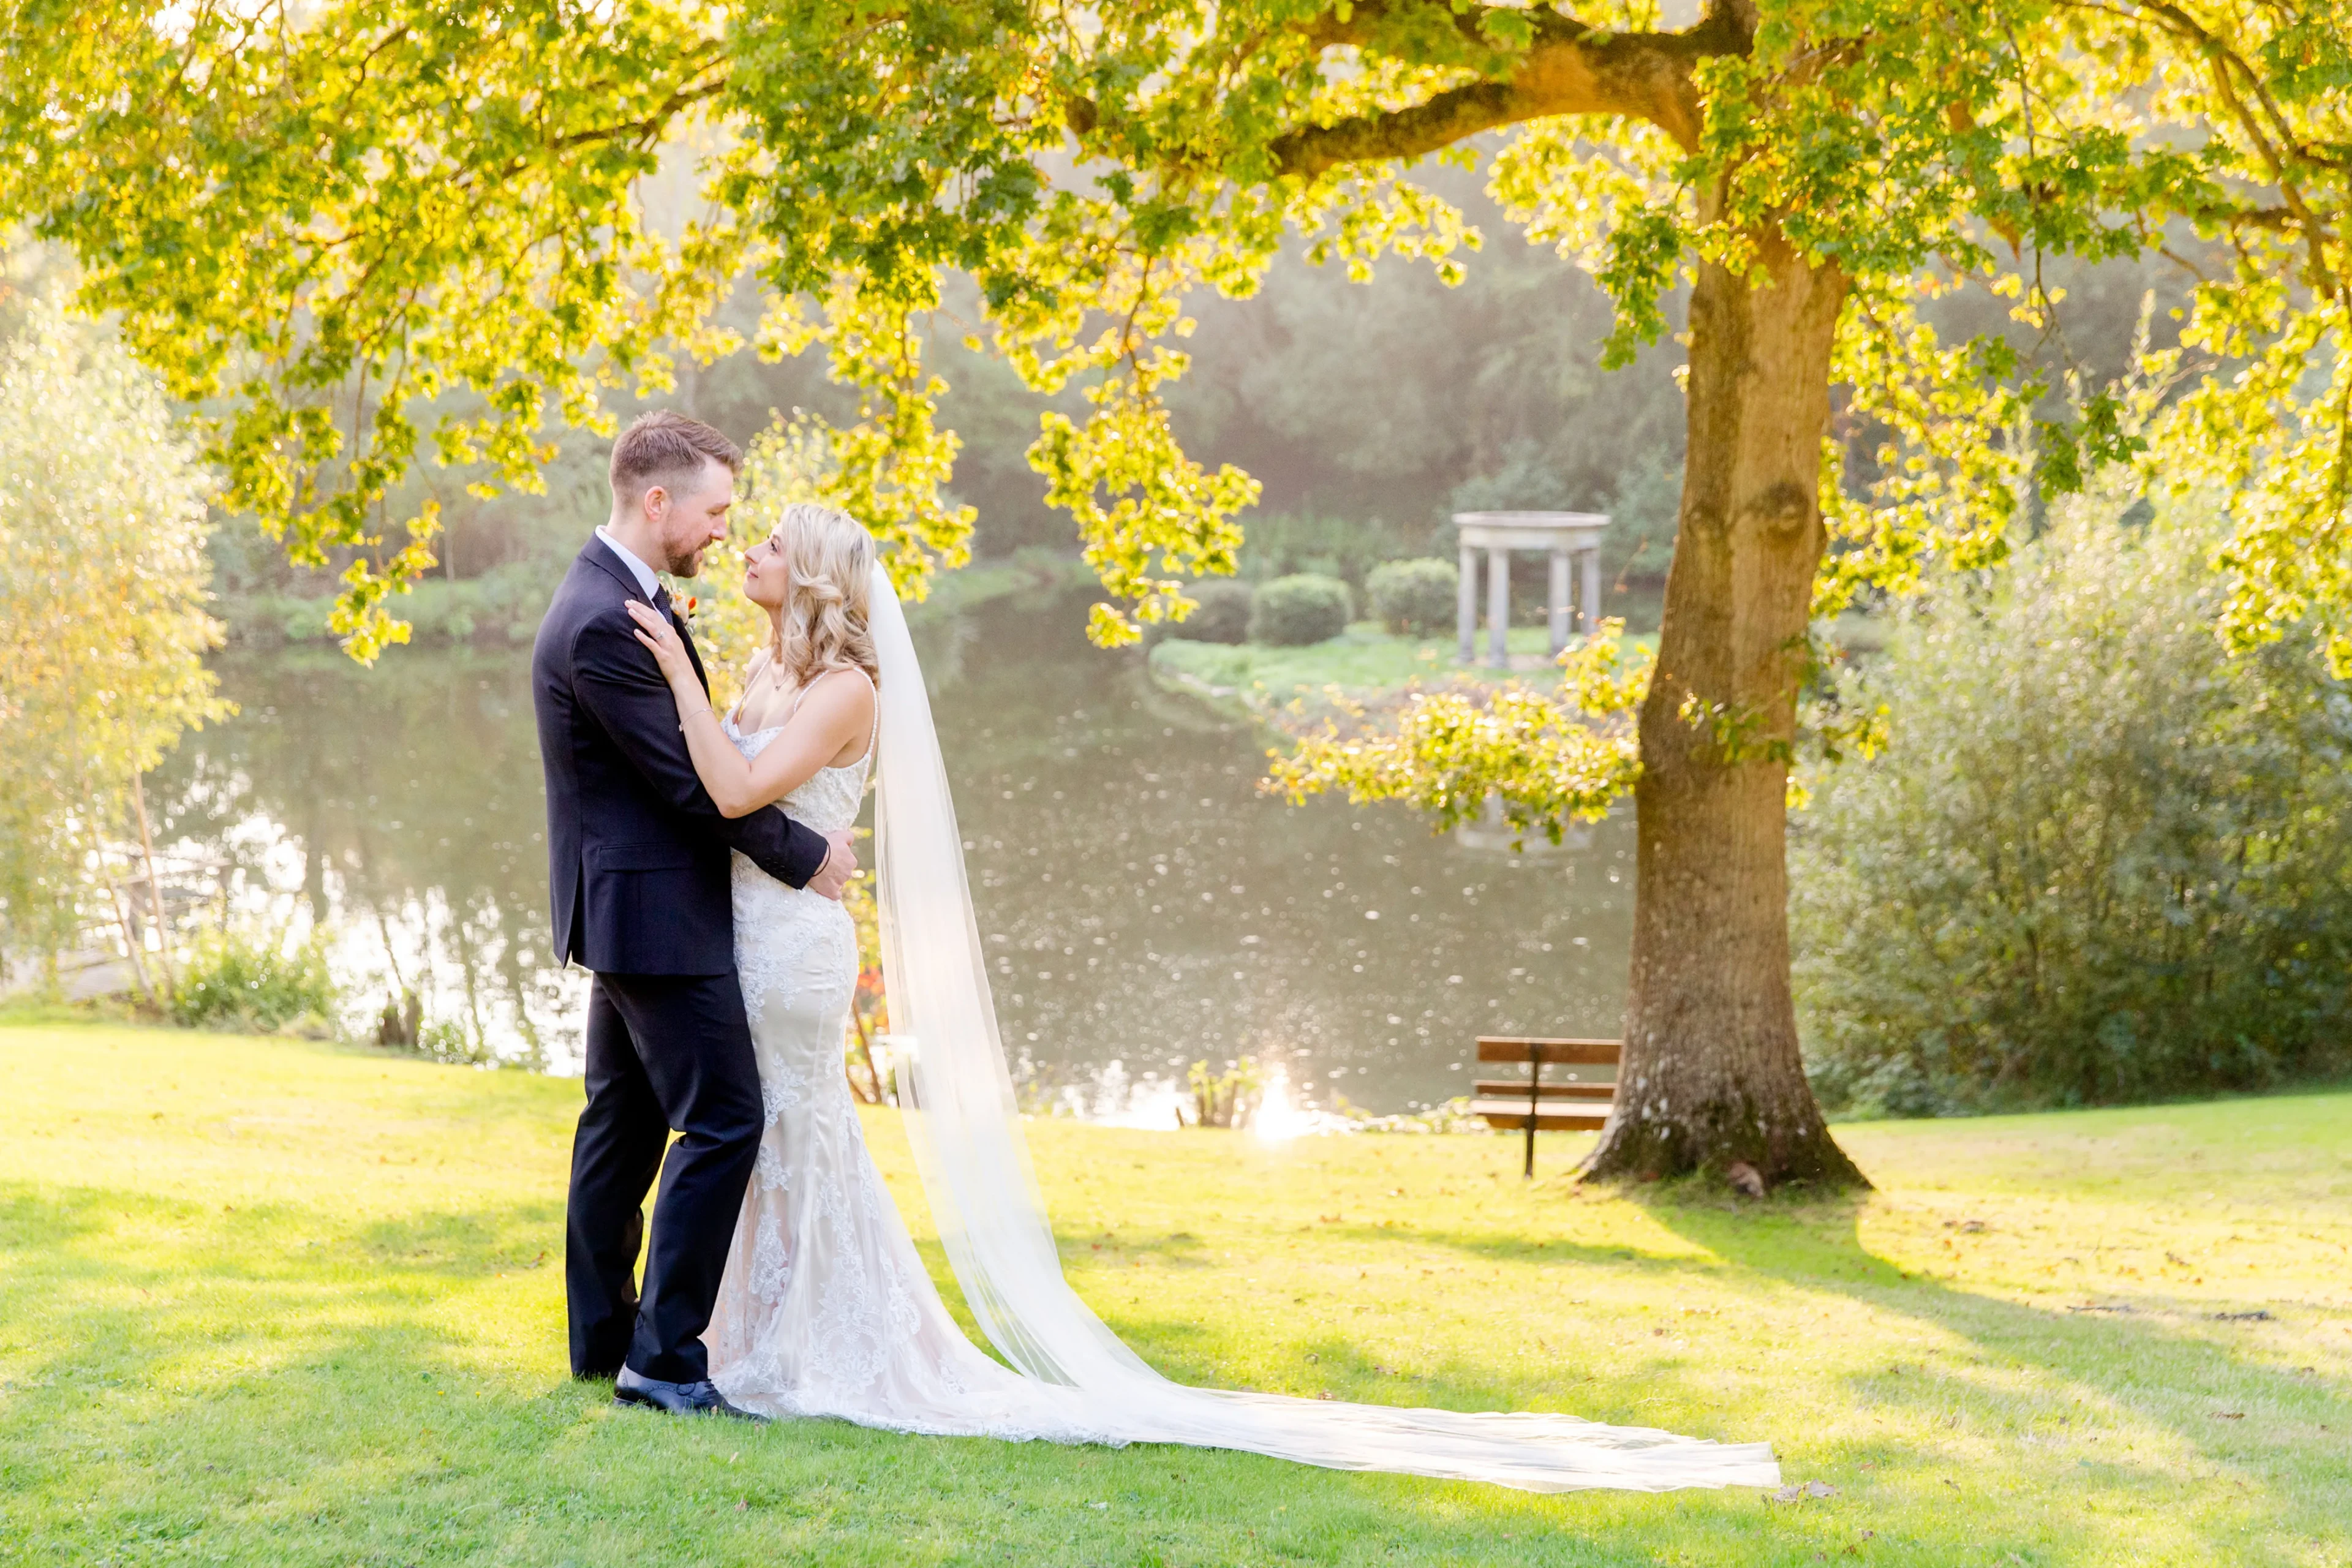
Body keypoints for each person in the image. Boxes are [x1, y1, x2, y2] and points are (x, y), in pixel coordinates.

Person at [622, 496, 1782, 1493]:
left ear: (815, 576)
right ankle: (738, 1335)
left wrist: (676, 672)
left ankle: (808, 1344)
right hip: (750, 931)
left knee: (797, 1131)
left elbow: (732, 793)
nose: (750, 550)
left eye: (771, 544)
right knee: (765, 1134)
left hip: (793, 953)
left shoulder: (845, 691)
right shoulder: (771, 668)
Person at [530, 412, 856, 1421]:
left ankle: (606, 1344)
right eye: (715, 512)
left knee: (622, 1127)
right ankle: (664, 1361)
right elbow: (688, 784)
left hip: (635, 908)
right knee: (724, 1120)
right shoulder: (607, 618)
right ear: (659, 500)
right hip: (658, 914)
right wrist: (807, 856)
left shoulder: (616, 596)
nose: (725, 531)